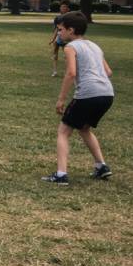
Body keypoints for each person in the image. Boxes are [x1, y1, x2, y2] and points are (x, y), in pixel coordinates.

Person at [43, 11, 114, 185]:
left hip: (88, 94)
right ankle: (101, 166)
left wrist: (61, 99)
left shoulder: (70, 47)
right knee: (84, 129)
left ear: (71, 30)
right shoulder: (95, 46)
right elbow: (108, 72)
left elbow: (71, 73)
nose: (58, 33)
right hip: (107, 94)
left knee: (63, 132)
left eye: (60, 30)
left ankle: (61, 175)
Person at [49, 0, 71, 77]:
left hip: (66, 39)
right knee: (55, 54)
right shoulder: (57, 18)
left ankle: (67, 72)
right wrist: (53, 39)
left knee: (66, 56)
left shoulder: (70, 18)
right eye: (62, 7)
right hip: (58, 38)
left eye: (65, 7)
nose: (63, 8)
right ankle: (54, 71)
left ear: (68, 9)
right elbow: (56, 29)